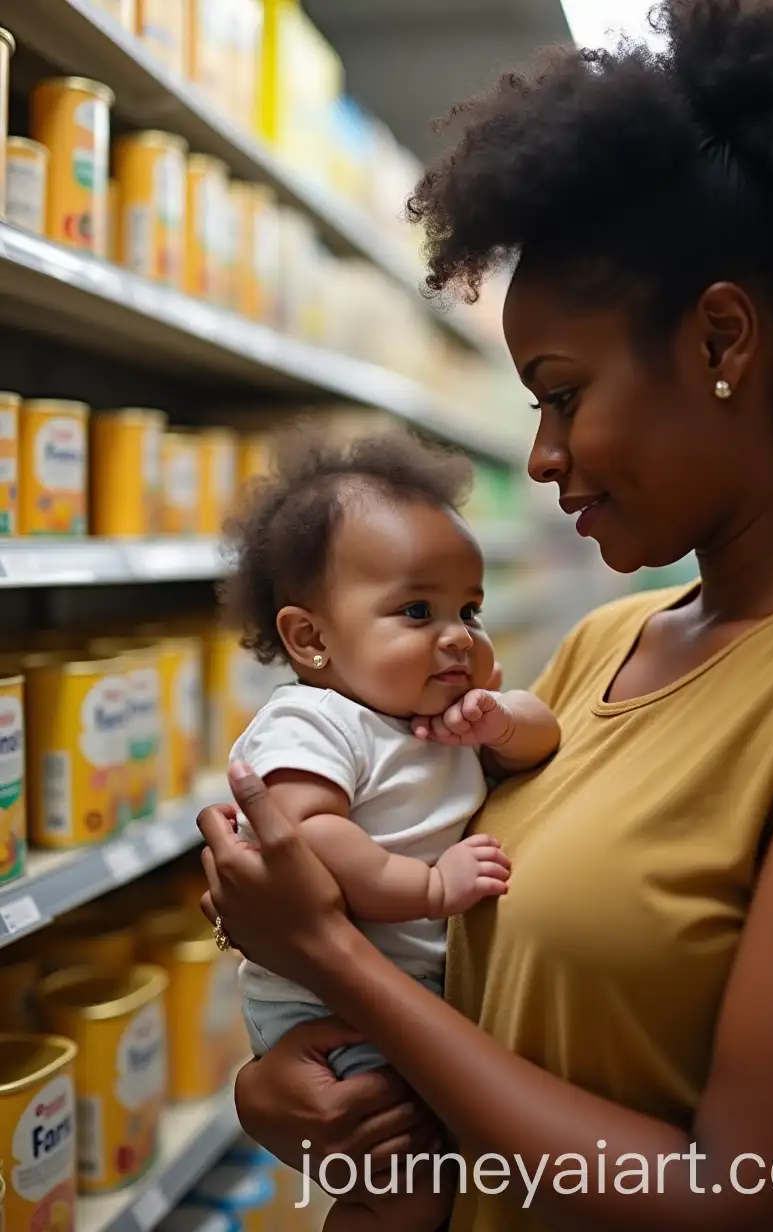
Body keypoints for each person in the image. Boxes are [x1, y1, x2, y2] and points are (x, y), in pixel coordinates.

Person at [197, 1, 773, 1229]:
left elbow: (759, 1200)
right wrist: (296, 1090)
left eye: (562, 393)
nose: (540, 458)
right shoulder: (598, 647)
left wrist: (329, 956)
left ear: (720, 337)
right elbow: (493, 1009)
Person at [216, 425, 560, 1229]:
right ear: (310, 638)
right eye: (416, 610)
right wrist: (430, 886)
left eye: (469, 610)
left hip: (411, 994)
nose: (457, 636)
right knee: (409, 1192)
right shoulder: (314, 721)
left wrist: (502, 722)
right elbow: (309, 841)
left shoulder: (438, 714)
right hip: (327, 1012)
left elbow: (546, 734)